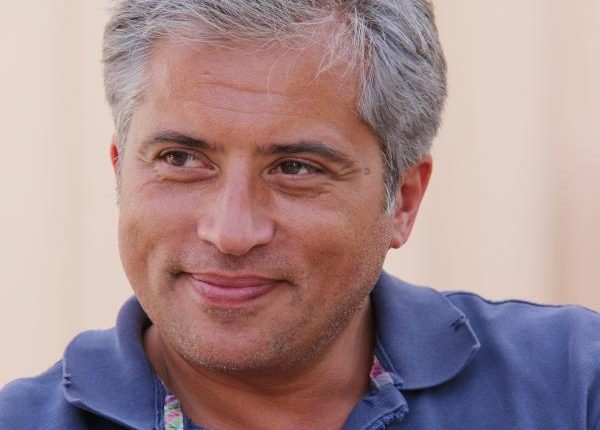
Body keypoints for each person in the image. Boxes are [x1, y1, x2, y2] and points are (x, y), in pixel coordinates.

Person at [1, 0, 599, 429]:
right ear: (120, 171)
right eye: (180, 159)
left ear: (404, 199)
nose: (230, 233)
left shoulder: (572, 387)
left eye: (296, 168)